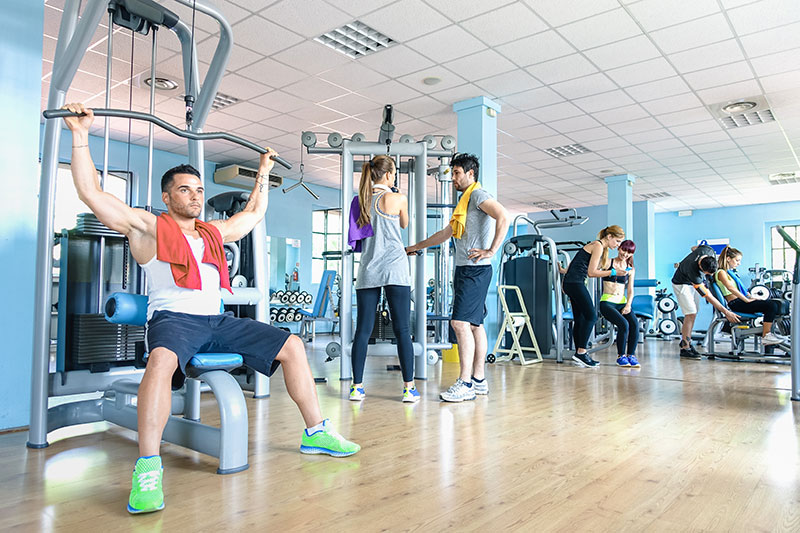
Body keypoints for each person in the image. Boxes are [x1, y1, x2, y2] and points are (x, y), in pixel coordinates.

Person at [60, 103, 360, 515]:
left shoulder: (212, 233)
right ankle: (148, 467)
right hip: (173, 320)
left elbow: (253, 213)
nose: (195, 196)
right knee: (161, 361)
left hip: (217, 320)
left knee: (291, 345)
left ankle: (316, 432)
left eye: (199, 190)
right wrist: (80, 135)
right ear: (167, 197)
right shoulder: (148, 227)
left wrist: (264, 171)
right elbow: (92, 194)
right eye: (185, 190)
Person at [405, 153, 509, 402]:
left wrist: (491, 251)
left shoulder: (478, 195)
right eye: (452, 173)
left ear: (470, 174)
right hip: (468, 270)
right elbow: (446, 233)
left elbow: (503, 216)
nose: (453, 178)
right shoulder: (464, 202)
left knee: (459, 324)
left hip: (475, 270)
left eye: (457, 173)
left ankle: (465, 383)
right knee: (475, 325)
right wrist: (415, 246)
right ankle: (479, 380)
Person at [348, 155, 419, 403]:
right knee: (402, 330)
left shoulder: (360, 200)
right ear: (389, 175)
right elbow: (404, 224)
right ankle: (409, 389)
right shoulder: (398, 198)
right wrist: (397, 195)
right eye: (395, 172)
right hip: (395, 268)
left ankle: (357, 388)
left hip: (368, 269)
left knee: (363, 331)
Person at [562, 226, 625, 367]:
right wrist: (613, 272)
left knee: (580, 318)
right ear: (609, 236)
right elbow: (591, 273)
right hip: (575, 283)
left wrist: (564, 272)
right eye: (617, 241)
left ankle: (579, 354)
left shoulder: (598, 246)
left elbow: (577, 264)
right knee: (591, 316)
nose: (618, 245)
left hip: (572, 282)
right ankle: (581, 352)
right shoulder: (598, 246)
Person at [672, 243, 740, 359]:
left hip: (691, 282)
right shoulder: (694, 273)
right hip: (681, 284)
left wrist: (694, 254)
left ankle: (686, 340)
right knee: (691, 313)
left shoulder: (708, 250)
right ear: (700, 267)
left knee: (694, 312)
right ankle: (685, 347)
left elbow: (694, 248)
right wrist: (726, 312)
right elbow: (708, 296)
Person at [715, 246, 786, 345]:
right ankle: (766, 335)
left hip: (740, 301)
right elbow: (731, 288)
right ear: (728, 259)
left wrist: (752, 297)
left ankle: (771, 334)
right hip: (736, 303)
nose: (739, 263)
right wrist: (746, 300)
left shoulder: (730, 273)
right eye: (737, 260)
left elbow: (740, 289)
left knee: (776, 304)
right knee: (771, 306)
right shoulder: (721, 272)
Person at [598, 239, 640, 368]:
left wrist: (628, 305)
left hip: (622, 302)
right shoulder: (607, 262)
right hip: (607, 302)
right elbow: (590, 269)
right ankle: (621, 356)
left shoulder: (630, 269)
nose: (625, 254)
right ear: (618, 248)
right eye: (623, 250)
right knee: (624, 324)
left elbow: (630, 290)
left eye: (629, 252)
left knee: (634, 324)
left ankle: (631, 355)